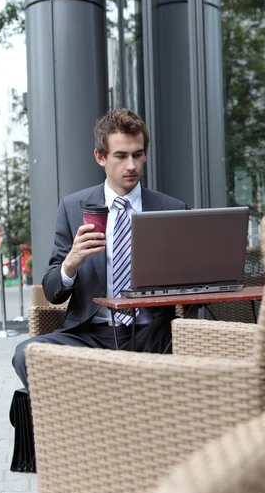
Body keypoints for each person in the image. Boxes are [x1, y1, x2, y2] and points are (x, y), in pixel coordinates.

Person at [12, 109, 187, 389]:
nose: (131, 165)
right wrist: (70, 263)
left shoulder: (171, 209)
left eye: (137, 154)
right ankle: (78, 429)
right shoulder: (73, 208)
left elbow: (195, 293)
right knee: (26, 355)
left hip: (151, 333)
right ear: (100, 157)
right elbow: (52, 292)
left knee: (198, 355)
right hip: (90, 334)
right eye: (120, 156)